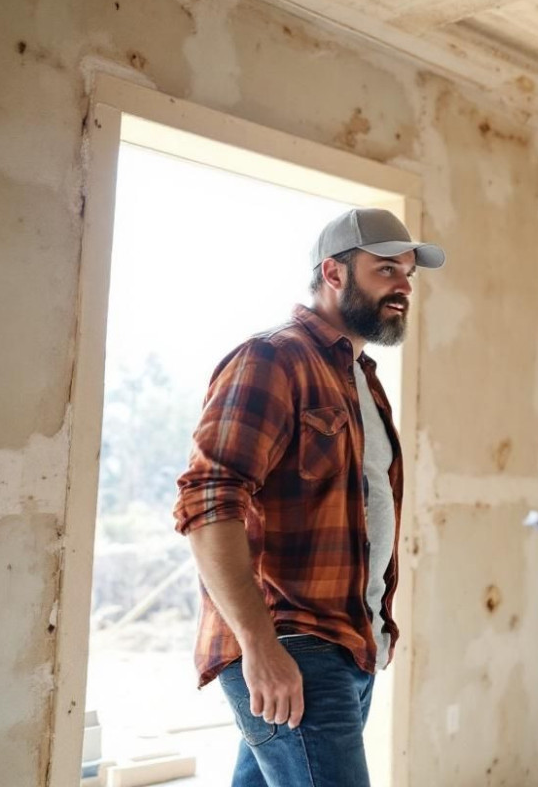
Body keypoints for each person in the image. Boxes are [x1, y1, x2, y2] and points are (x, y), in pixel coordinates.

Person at [173, 208, 445, 786]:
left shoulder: (360, 377)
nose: (403, 286)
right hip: (294, 644)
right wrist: (259, 645)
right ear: (334, 272)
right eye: (386, 269)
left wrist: (376, 630)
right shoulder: (271, 358)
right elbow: (208, 501)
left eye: (408, 274)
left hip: (350, 644)